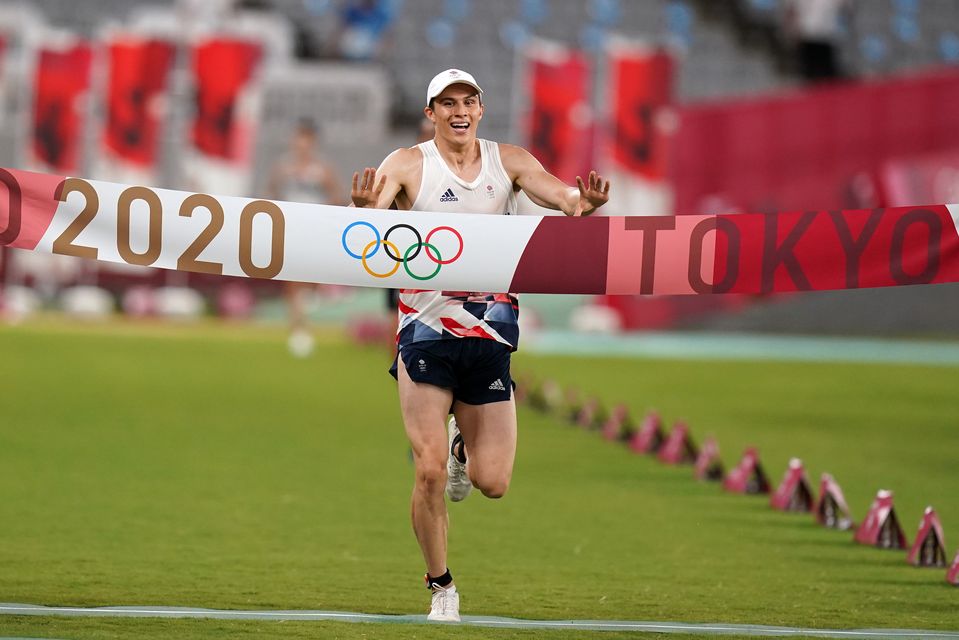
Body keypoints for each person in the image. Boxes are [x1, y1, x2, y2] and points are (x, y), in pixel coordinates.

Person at [350, 69, 610, 622]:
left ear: (480, 109)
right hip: (426, 331)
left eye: (468, 101)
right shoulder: (408, 163)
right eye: (448, 104)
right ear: (432, 113)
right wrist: (361, 209)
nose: (459, 111)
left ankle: (464, 449)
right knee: (427, 471)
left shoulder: (507, 161)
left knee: (493, 483)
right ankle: (442, 585)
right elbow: (370, 228)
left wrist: (579, 201)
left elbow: (559, 196)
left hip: (490, 335)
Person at [268, 119, 345, 357]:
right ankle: (298, 328)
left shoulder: (321, 170)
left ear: (312, 142)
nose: (301, 144)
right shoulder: (283, 167)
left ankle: (311, 300)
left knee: (310, 279)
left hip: (315, 229)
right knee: (291, 281)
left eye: (306, 139)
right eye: (298, 138)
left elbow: (336, 196)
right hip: (290, 229)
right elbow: (272, 192)